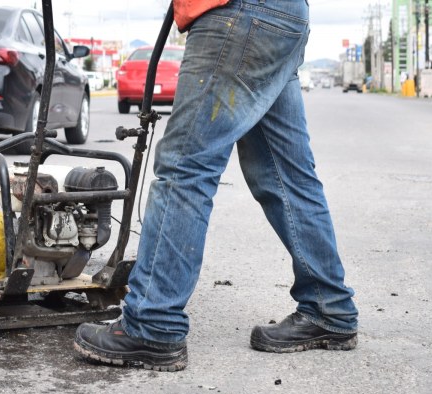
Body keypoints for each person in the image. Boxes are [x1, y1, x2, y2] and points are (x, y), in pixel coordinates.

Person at [74, 0, 359, 371]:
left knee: (185, 169)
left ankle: (152, 325)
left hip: (238, 15)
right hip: (284, 15)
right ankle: (328, 306)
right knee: (286, 175)